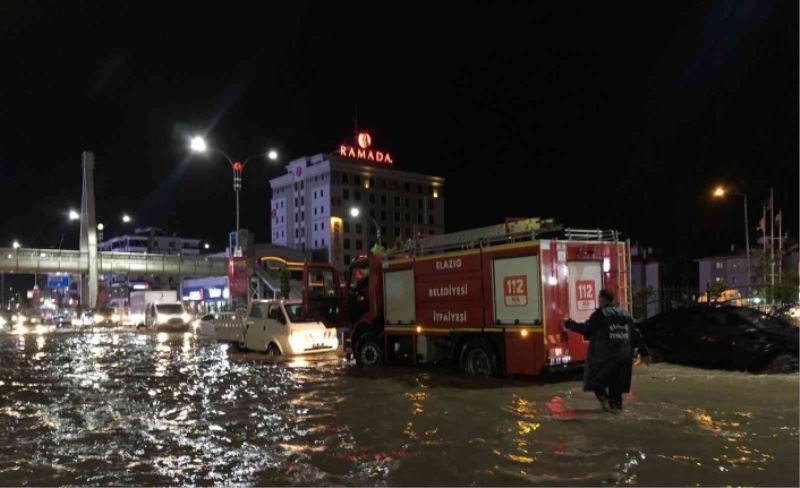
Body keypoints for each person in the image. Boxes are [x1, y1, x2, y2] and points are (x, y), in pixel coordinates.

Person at [563, 289, 650, 412]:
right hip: (624, 357)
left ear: (601, 299)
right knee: (617, 388)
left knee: (595, 381)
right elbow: (636, 334)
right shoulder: (625, 315)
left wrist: (569, 324)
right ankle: (616, 411)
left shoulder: (600, 315)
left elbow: (587, 330)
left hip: (606, 356)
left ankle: (606, 402)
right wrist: (644, 352)